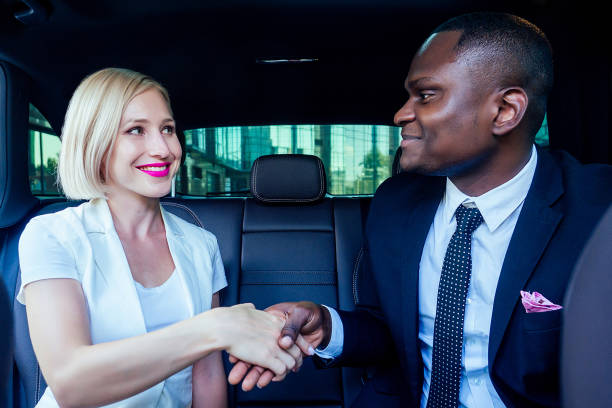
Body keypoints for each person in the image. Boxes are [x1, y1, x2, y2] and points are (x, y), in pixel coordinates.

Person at [228, 12, 612, 407]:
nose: (401, 114)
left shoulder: (600, 214)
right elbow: (390, 330)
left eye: (425, 96)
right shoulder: (396, 203)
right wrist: (326, 325)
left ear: (505, 111)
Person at [17, 68, 306, 408]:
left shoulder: (201, 244)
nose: (164, 148)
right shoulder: (52, 235)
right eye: (136, 130)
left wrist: (221, 332)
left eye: (167, 129)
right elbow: (70, 383)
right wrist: (216, 327)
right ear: (96, 141)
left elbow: (207, 374)